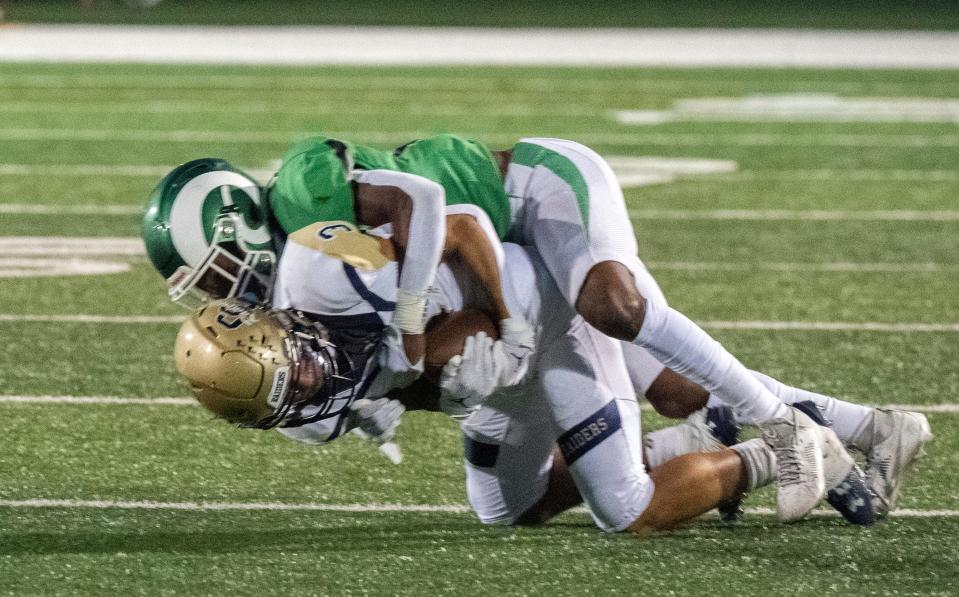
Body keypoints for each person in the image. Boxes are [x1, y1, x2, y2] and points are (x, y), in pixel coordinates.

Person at [264, 134, 931, 519]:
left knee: (616, 308)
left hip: (540, 194)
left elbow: (454, 223)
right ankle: (869, 428)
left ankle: (780, 425)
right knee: (668, 393)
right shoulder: (319, 287)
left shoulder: (355, 231)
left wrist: (484, 325)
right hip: (520, 261)